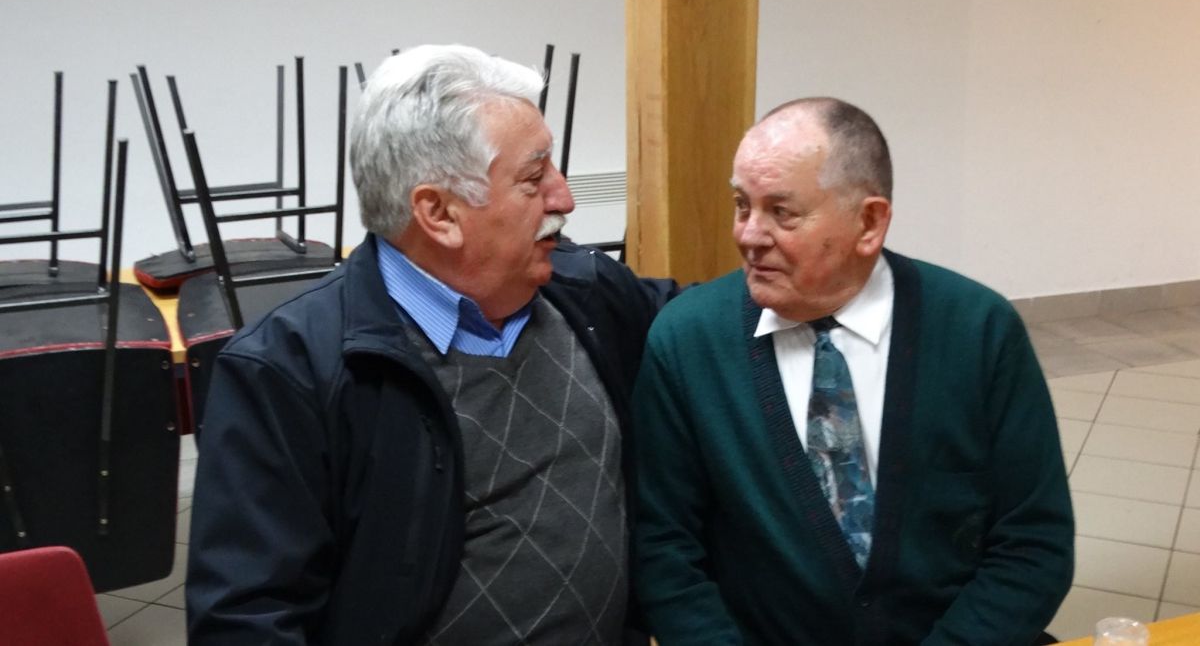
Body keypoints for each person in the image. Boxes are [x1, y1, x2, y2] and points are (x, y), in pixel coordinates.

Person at [186, 44, 673, 645]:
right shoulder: (289, 371)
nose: (564, 198)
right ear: (438, 213)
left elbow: (709, 323)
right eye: (533, 178)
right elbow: (246, 622)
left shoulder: (588, 294)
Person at [632, 97, 1073, 645]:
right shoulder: (689, 341)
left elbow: (1034, 543)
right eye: (742, 205)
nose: (748, 235)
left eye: (782, 212)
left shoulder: (977, 329)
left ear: (869, 222)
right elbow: (664, 550)